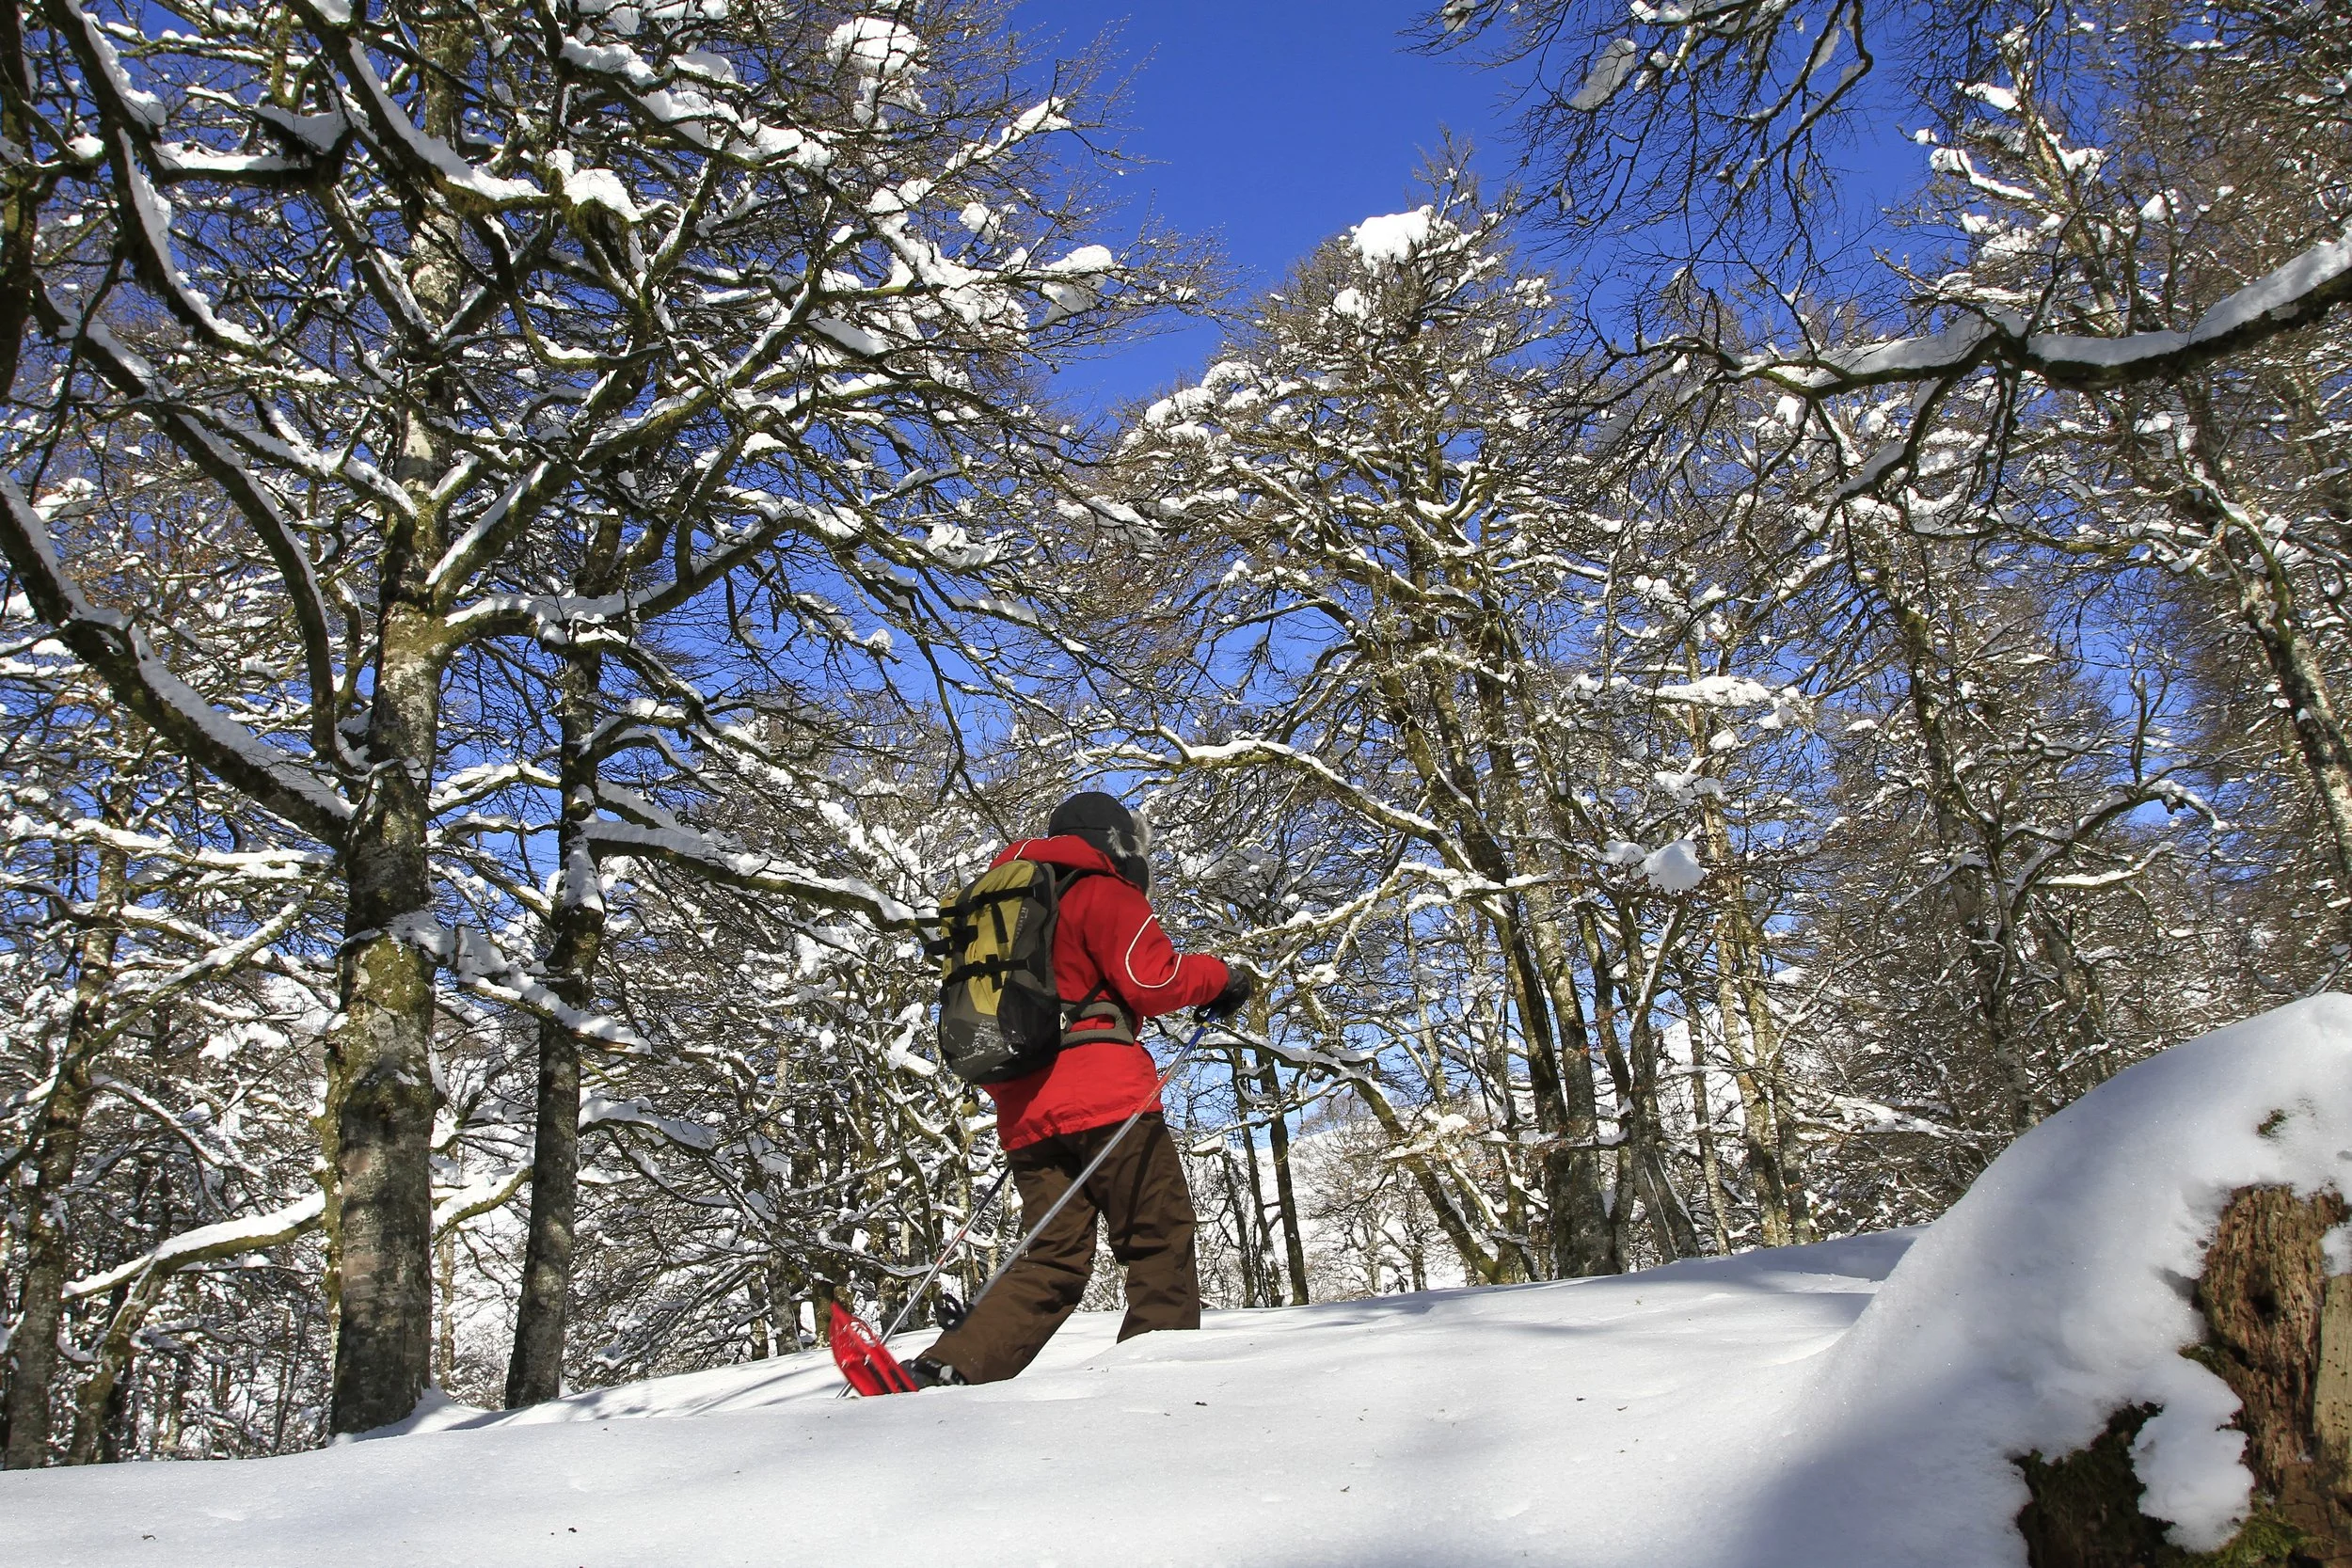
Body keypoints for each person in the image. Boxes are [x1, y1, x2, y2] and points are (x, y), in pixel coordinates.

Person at [909, 791, 1252, 1387]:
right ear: (1117, 843)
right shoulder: (1100, 889)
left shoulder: (998, 905)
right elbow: (1153, 979)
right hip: (1108, 1100)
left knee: (1052, 1255)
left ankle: (951, 1366)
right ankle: (1160, 1376)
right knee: (1156, 1233)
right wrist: (1222, 978)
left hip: (1023, 1109)